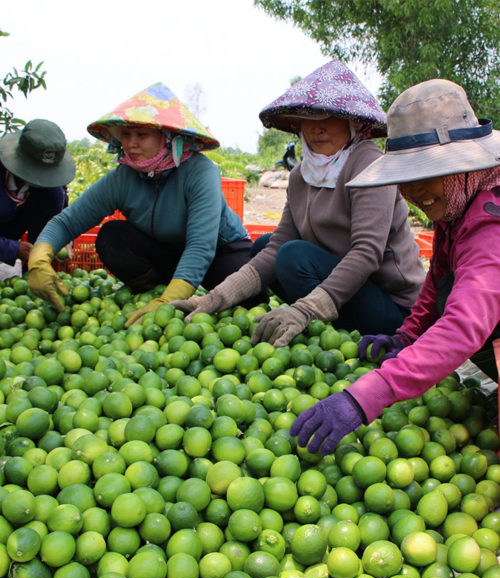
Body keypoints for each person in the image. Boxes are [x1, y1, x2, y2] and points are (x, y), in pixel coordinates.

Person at [290, 78, 500, 455]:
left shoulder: (491, 222)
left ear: (463, 167)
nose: (413, 192)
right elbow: (437, 280)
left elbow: (464, 323)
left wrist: (362, 398)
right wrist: (406, 337)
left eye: (424, 176)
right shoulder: (459, 205)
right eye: (405, 180)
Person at [173, 61, 425, 345]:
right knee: (265, 246)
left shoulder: (370, 166)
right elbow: (277, 245)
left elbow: (366, 253)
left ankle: (330, 329)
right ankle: (323, 330)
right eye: (309, 120)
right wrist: (214, 299)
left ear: (353, 122)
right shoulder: (301, 176)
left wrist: (305, 310)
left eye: (329, 118)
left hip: (395, 309)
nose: (318, 129)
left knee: (293, 257)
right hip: (346, 292)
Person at [27, 83, 251, 319]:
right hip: (169, 254)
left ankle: (174, 291)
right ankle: (154, 292)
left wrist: (168, 302)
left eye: (142, 134)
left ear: (166, 137)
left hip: (221, 252)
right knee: (112, 236)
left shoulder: (199, 172)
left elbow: (201, 245)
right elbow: (67, 222)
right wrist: (39, 259)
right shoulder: (124, 177)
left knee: (247, 295)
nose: (131, 143)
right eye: (126, 134)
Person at [0, 119, 75, 268]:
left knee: (53, 194)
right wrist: (13, 248)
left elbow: (61, 216)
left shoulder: (52, 190)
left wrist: (63, 239)